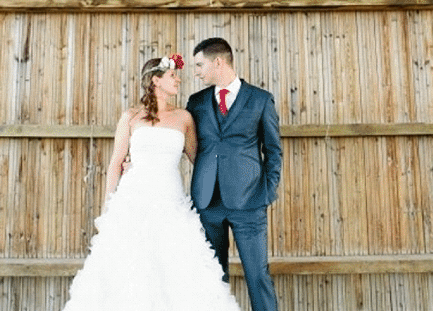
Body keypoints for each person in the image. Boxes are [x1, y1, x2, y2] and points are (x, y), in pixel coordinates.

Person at [61, 54, 241, 311]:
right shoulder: (131, 117)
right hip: (133, 201)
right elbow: (115, 164)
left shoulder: (184, 118)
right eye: (172, 75)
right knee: (129, 271)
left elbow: (200, 162)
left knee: (177, 270)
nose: (178, 79)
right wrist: (108, 210)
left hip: (171, 204)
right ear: (156, 80)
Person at [187, 37, 282, 311]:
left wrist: (267, 190)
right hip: (208, 204)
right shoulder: (196, 102)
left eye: (199, 65)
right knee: (213, 279)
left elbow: (274, 151)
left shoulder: (261, 100)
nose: (196, 72)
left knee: (258, 276)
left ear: (218, 62)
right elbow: (181, 138)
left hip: (250, 203)